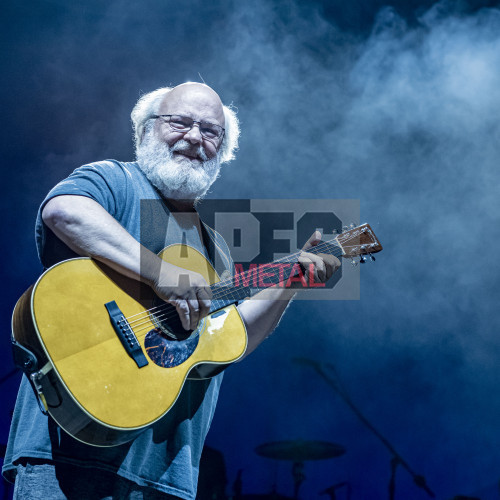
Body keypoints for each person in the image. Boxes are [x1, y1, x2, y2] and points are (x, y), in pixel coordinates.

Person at [2, 82, 339, 499]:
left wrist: (291, 281)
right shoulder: (117, 181)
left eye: (211, 131)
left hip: (165, 475)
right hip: (71, 453)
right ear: (145, 130)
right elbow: (64, 211)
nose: (195, 137)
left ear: (223, 152)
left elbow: (229, 341)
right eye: (180, 122)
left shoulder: (215, 250)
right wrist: (159, 272)